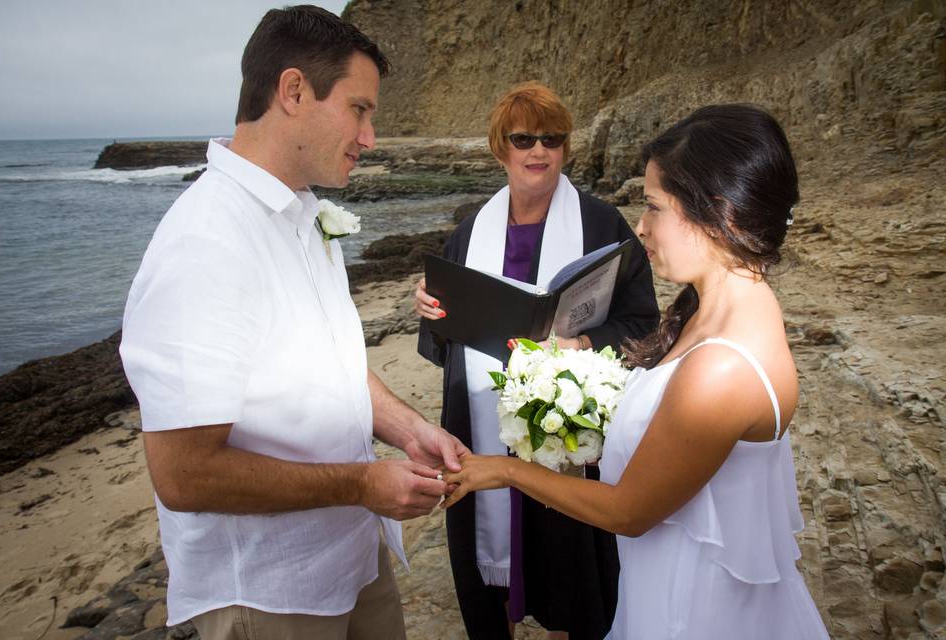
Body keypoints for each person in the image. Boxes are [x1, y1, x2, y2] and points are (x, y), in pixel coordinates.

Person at [120, 6, 467, 639]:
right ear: (293, 91)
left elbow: (327, 365)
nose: (370, 139)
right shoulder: (206, 243)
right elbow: (184, 473)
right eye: (360, 110)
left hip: (353, 560)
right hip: (271, 596)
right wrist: (363, 483)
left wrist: (409, 429)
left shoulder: (301, 215)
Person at [443, 104, 831, 639]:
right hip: (665, 587)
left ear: (720, 212)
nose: (641, 228)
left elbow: (629, 511)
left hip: (699, 611)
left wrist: (504, 469)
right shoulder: (708, 312)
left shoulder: (720, 370)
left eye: (653, 207)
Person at [415, 82, 660, 639]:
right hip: (483, 420)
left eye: (552, 139)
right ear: (501, 147)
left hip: (566, 425)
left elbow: (643, 325)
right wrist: (428, 308)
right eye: (523, 139)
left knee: (569, 569)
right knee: (492, 567)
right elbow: (443, 344)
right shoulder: (468, 235)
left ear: (566, 148)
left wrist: (584, 347)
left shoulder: (601, 227)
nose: (538, 151)